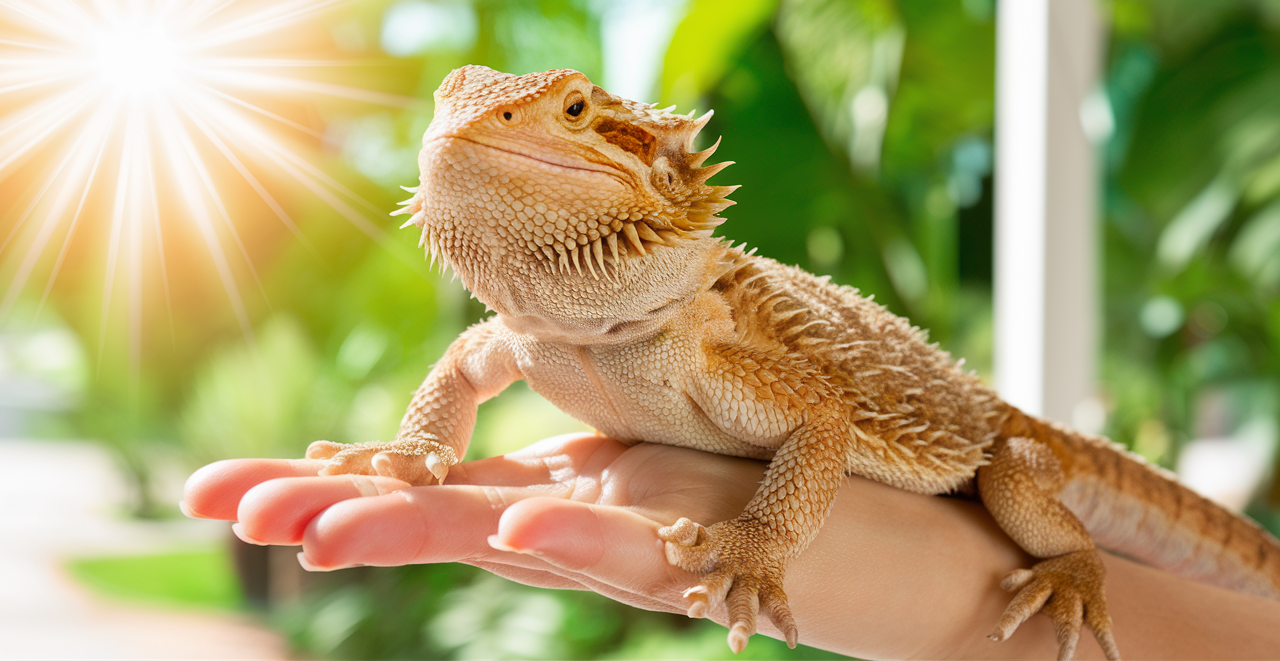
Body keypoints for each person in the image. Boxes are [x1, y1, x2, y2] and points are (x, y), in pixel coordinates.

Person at [183, 432, 1280, 660]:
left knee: (1012, 483)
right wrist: (424, 446)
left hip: (987, 453)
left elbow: (816, 423)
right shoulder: (521, 331)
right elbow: (478, 354)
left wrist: (765, 532)